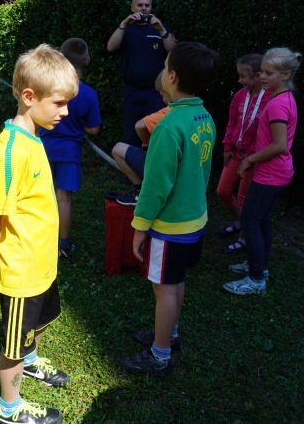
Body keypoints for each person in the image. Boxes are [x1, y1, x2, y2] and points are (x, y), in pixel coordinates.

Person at [0, 45, 79, 424]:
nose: (65, 112)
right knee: (13, 347)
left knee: (34, 327)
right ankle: (9, 409)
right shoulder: (11, 151)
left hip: (41, 265)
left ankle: (31, 361)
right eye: (59, 103)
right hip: (21, 273)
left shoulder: (34, 137)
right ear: (29, 97)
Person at [118, 42, 218, 377]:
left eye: (164, 66)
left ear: (172, 77)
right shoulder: (204, 116)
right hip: (195, 219)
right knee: (174, 283)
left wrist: (139, 226)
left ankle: (159, 355)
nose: (161, 71)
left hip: (170, 226)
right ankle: (169, 333)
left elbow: (155, 186)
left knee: (164, 289)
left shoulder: (168, 126)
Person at [223, 48, 300, 295]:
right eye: (262, 72)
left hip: (270, 173)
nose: (263, 77)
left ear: (286, 75)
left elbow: (279, 145)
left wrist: (250, 159)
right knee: (262, 220)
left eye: (269, 73)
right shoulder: (282, 98)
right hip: (276, 172)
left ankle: (256, 280)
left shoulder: (277, 104)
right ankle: (260, 267)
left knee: (250, 220)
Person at [39, 37, 102, 258]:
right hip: (70, 152)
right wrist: (80, 124)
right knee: (63, 198)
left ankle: (40, 240)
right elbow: (94, 129)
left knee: (40, 195)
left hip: (44, 149)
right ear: (87, 61)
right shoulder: (88, 94)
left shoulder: (48, 89)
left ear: (60, 58)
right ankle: (63, 245)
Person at [106, 0, 178, 147]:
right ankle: (132, 161)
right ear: (132, 8)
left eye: (147, 5)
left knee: (156, 132)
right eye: (140, 5)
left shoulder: (160, 28)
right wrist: (123, 24)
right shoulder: (126, 29)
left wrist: (162, 30)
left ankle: (154, 161)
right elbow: (111, 47)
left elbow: (174, 51)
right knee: (132, 132)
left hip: (156, 92)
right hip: (132, 92)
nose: (144, 8)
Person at [215, 54, 270, 253]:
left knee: (244, 199)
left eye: (243, 76)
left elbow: (267, 133)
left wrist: (253, 155)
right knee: (222, 191)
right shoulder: (240, 96)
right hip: (235, 153)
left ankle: (243, 238)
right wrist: (226, 146)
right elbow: (232, 123)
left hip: (252, 158)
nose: (239, 80)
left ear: (257, 76)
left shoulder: (269, 99)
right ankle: (239, 222)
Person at [111, 69, 170, 206]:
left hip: (160, 169)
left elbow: (139, 126)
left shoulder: (168, 112)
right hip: (175, 171)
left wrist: (147, 142)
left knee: (118, 149)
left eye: (162, 94)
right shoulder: (194, 113)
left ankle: (139, 191)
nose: (161, 98)